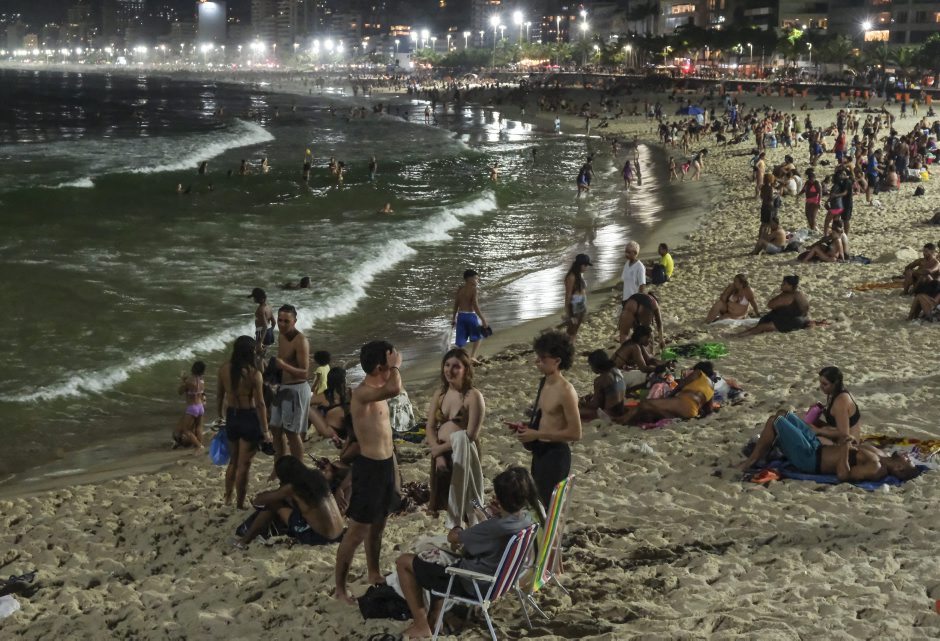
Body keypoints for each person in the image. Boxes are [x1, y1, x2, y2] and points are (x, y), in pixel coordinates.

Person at [395, 466, 539, 640]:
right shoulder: (527, 519)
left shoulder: (494, 527)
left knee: (404, 562)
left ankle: (421, 625)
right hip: (504, 580)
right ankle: (436, 617)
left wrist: (458, 526)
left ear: (501, 498)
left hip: (474, 584)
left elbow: (454, 538)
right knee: (439, 565)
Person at [335, 341, 403, 604]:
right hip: (369, 468)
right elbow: (395, 387)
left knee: (379, 523)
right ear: (379, 368)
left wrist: (392, 364)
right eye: (388, 364)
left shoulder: (379, 390)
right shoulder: (363, 393)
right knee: (356, 532)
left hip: (386, 465)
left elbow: (394, 387)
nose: (393, 368)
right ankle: (340, 589)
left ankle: (373, 571)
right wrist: (395, 366)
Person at [737, 413, 919, 483]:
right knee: (784, 414)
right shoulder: (882, 454)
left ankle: (751, 462)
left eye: (908, 461)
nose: (908, 456)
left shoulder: (876, 468)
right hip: (817, 447)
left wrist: (845, 448)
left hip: (810, 459)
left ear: (899, 468)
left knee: (775, 421)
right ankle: (765, 450)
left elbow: (843, 476)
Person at [513, 332, 582, 508]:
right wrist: (527, 427)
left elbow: (575, 433)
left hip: (556, 455)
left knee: (548, 507)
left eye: (543, 358)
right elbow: (546, 418)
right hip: (540, 452)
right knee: (537, 504)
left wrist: (537, 434)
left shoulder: (566, 391)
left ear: (557, 361)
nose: (537, 361)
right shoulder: (544, 383)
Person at [426, 348, 485, 528]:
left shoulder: (473, 396)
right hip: (441, 454)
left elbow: (471, 434)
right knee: (448, 502)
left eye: (456, 366)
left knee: (470, 500)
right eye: (447, 365)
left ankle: (475, 532)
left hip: (464, 454)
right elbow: (429, 427)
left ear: (466, 369)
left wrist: (439, 450)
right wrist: (438, 454)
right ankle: (456, 535)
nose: (449, 370)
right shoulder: (440, 394)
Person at [235, 455, 344, 548]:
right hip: (339, 533)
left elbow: (258, 501)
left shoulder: (291, 488)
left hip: (318, 538)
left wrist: (276, 492)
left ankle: (244, 541)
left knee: (273, 504)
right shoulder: (318, 475)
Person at [217, 336, 271, 509]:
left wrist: (220, 416)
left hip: (232, 417)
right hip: (249, 417)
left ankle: (228, 498)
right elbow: (260, 404)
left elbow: (219, 396)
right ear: (250, 352)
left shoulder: (224, 369)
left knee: (233, 462)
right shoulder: (254, 374)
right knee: (244, 465)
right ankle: (239, 504)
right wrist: (266, 430)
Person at [270, 304, 311, 467]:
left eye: (286, 321)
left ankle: (299, 468)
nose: (282, 324)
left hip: (297, 389)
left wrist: (283, 366)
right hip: (283, 388)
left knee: (292, 433)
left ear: (294, 321)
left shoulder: (300, 341)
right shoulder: (281, 336)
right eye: (280, 320)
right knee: (275, 428)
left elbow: (305, 373)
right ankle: (279, 464)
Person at [613, 361, 715, 425]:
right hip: (691, 412)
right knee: (652, 411)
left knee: (644, 404)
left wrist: (670, 396)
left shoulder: (698, 373)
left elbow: (680, 385)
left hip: (683, 403)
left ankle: (621, 420)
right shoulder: (711, 387)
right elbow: (709, 411)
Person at [738, 275, 811, 337]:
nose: (781, 285)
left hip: (792, 322)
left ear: (790, 286)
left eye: (784, 284)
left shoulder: (788, 296)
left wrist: (780, 294)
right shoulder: (800, 294)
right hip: (802, 319)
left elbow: (770, 305)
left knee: (762, 327)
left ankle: (738, 335)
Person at [452, 269, 489, 364]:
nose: (477, 281)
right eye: (476, 278)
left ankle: (460, 359)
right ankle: (472, 356)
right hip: (470, 316)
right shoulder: (474, 289)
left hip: (461, 317)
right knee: (478, 336)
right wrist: (483, 319)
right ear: (469, 279)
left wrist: (454, 318)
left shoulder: (460, 289)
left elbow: (456, 304)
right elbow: (475, 305)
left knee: (460, 342)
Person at [310, 367, 353, 445]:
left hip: (331, 431)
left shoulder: (324, 396)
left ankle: (301, 435)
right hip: (347, 431)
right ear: (343, 381)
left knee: (309, 409)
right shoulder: (349, 392)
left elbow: (306, 403)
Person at [579, 350, 626, 420]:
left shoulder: (600, 380)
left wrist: (583, 403)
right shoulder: (617, 371)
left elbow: (596, 405)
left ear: (595, 366)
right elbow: (612, 392)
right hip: (621, 411)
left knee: (576, 411)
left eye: (591, 366)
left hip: (608, 414)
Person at [174, 361, 206, 449]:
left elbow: (180, 391)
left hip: (192, 407)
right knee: (199, 427)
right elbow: (202, 394)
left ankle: (199, 446)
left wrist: (183, 380)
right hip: (200, 406)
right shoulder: (202, 381)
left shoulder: (189, 381)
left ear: (193, 369)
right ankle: (200, 444)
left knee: (186, 430)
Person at [563, 254, 591, 339]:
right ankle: (566, 345)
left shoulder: (579, 274)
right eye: (585, 265)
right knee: (571, 331)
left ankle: (571, 345)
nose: (586, 268)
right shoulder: (571, 277)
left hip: (581, 304)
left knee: (575, 330)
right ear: (580, 265)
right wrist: (569, 313)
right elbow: (568, 295)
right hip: (575, 305)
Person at [250, 288, 275, 354]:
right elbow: (274, 322)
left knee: (259, 353)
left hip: (261, 332)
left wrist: (260, 342)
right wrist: (270, 332)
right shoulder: (268, 307)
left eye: (254, 297)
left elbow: (264, 326)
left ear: (258, 299)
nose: (253, 299)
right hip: (269, 332)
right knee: (264, 353)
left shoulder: (260, 310)